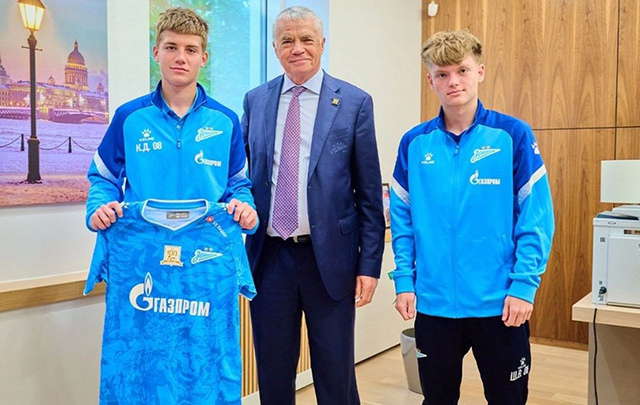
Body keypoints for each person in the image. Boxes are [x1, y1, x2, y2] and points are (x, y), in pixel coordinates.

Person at [390, 30, 555, 404]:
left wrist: (523, 285)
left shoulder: (512, 135)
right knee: (436, 399)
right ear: (430, 80)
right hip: (433, 304)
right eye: (442, 74)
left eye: (462, 71)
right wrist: (404, 280)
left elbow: (536, 217)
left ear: (479, 72)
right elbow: (402, 219)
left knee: (507, 399)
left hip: (499, 303)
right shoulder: (414, 143)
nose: (453, 82)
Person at [242, 6, 386, 404]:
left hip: (331, 261)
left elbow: (369, 194)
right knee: (272, 375)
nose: (297, 48)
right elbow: (243, 178)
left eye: (306, 39)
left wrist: (369, 266)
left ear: (322, 44)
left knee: (335, 375)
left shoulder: (354, 102)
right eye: (287, 40)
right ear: (275, 48)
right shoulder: (255, 101)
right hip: (269, 259)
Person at [86, 7, 257, 232]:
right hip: (143, 241)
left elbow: (238, 184)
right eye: (171, 47)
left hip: (206, 242)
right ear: (156, 52)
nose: (180, 58)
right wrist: (98, 208)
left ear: (203, 58)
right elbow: (104, 177)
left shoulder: (226, 121)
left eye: (191, 50)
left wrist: (245, 207)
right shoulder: (128, 117)